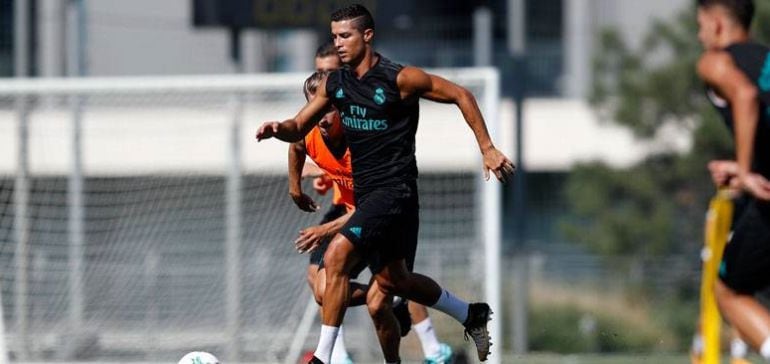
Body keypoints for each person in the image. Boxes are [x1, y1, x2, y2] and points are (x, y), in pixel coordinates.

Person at [257, 4, 513, 363]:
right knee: (391, 289)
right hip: (370, 198)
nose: (339, 43)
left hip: (396, 194)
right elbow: (298, 128)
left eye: (345, 35)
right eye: (334, 37)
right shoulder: (336, 84)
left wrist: (487, 147)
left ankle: (323, 358)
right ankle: (470, 314)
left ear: (367, 35)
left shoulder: (399, 79)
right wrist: (277, 129)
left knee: (336, 258)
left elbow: (461, 94)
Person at [292, 70, 454, 363]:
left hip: (378, 211)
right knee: (325, 287)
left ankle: (436, 340)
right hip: (347, 210)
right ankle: (339, 351)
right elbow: (297, 147)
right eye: (313, 104)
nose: (321, 112)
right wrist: (300, 187)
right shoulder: (313, 132)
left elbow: (369, 203)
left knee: (384, 286)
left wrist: (325, 230)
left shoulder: (364, 142)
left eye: (328, 103)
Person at [696, 0, 770, 361]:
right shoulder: (767, 58)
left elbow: (745, 95)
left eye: (700, 26)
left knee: (729, 292)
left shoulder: (714, 61)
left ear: (717, 23)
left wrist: (743, 171)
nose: (700, 35)